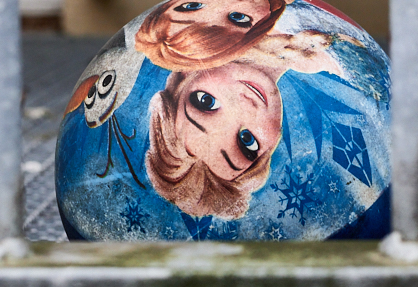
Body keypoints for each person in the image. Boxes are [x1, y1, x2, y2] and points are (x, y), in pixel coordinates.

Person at [145, 31, 356, 218]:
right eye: (247, 142)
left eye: (206, 101)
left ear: (186, 73)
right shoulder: (338, 66)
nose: (244, 106)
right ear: (271, 147)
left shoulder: (242, 14)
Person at [134, 0, 296, 72]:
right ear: (257, 31)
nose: (231, 1)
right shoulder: (294, 24)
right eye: (238, 18)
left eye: (192, 6)